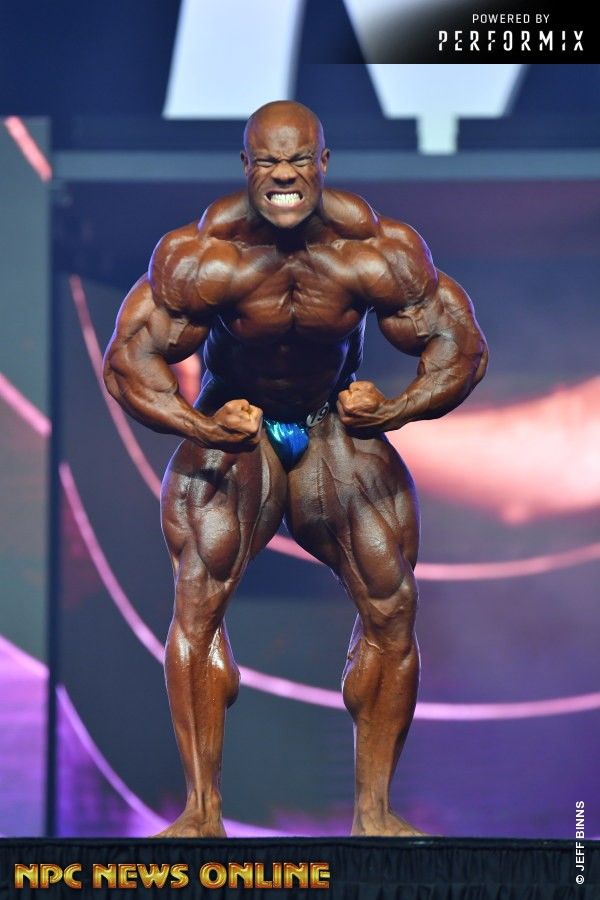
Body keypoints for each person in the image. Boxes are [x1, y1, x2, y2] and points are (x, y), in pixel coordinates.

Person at [103, 100, 488, 837]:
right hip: (234, 428)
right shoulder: (202, 254)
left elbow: (459, 348)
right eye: (269, 163)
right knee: (196, 602)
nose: (284, 176)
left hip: (331, 424)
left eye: (299, 160)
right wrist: (200, 425)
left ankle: (374, 814)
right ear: (247, 167)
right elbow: (129, 364)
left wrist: (396, 410)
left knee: (392, 605)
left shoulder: (374, 248)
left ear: (323, 164)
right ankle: (201, 813)